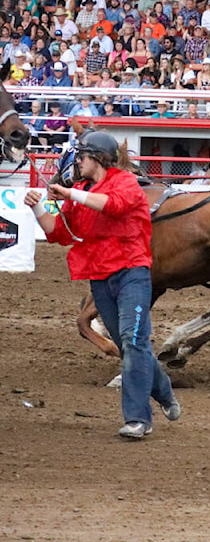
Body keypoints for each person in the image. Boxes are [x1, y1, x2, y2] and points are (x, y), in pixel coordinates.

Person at [24, 131, 180, 439]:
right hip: (99, 276)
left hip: (131, 271)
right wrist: (38, 208)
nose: (77, 163)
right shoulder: (81, 190)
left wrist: (70, 195)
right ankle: (164, 392)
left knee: (133, 341)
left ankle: (138, 419)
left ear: (96, 157)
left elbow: (113, 206)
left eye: (80, 157)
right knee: (129, 345)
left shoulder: (125, 183)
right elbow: (59, 233)